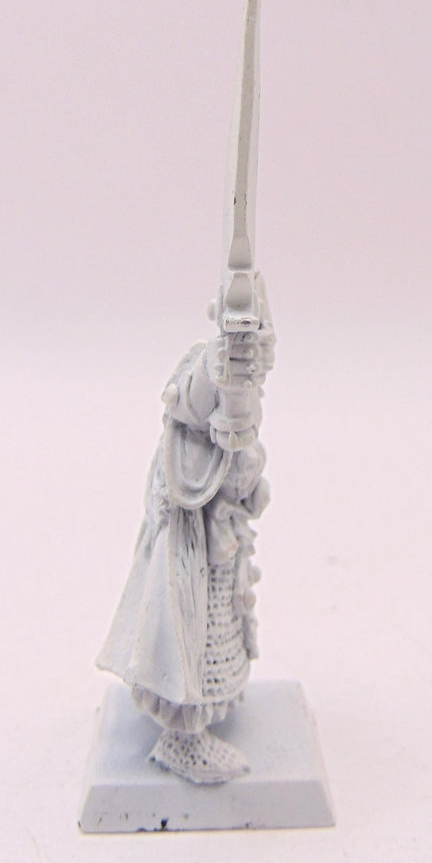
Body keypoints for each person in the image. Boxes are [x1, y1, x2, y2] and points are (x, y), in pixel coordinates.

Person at [96, 323, 275, 783]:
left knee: (217, 635)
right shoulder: (188, 449)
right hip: (194, 560)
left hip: (220, 555)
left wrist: (246, 463)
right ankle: (183, 737)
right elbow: (213, 482)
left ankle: (201, 712)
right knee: (189, 639)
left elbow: (244, 483)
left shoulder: (225, 431)